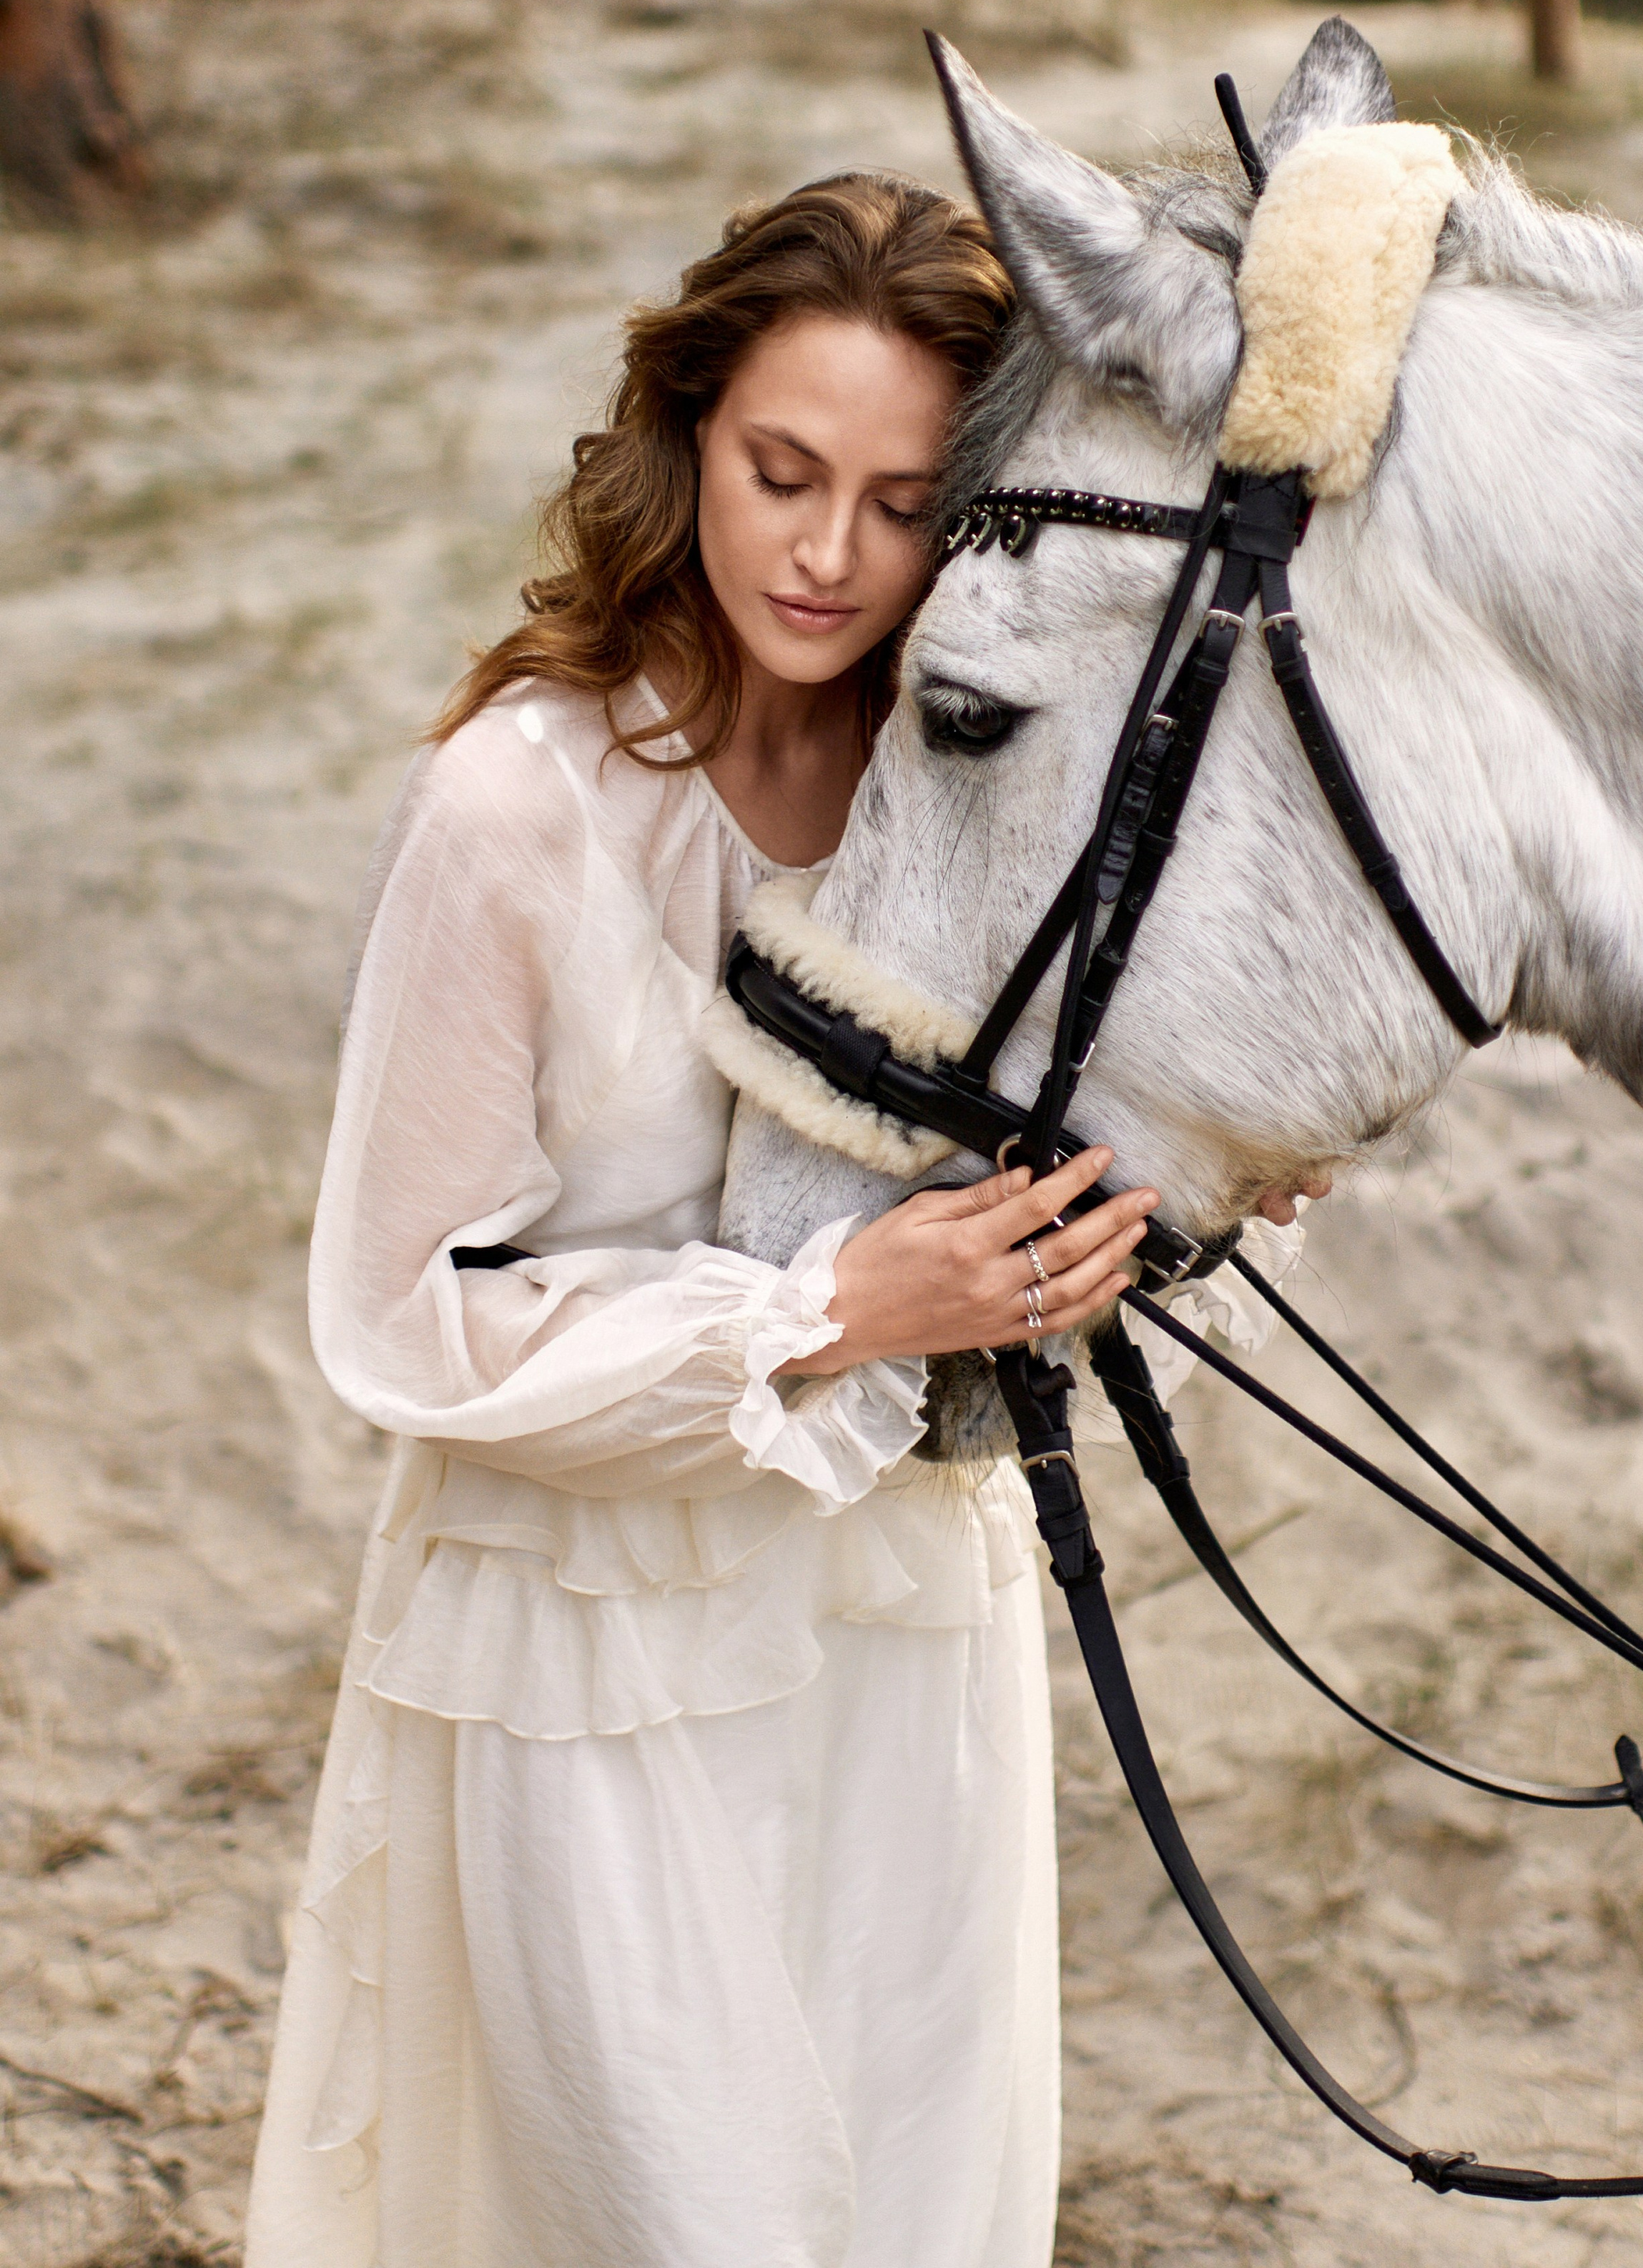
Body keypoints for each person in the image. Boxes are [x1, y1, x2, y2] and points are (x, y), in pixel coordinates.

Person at [243, 172, 1164, 2268]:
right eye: (780, 471)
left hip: (904, 1630)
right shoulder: (518, 806)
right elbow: (405, 1318)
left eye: (907, 500)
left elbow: (1092, 1153)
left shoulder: (994, 795)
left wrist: (1166, 1208)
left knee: (919, 2208)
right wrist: (827, 1307)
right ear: (687, 436)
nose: (830, 555)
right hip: (593, 1656)